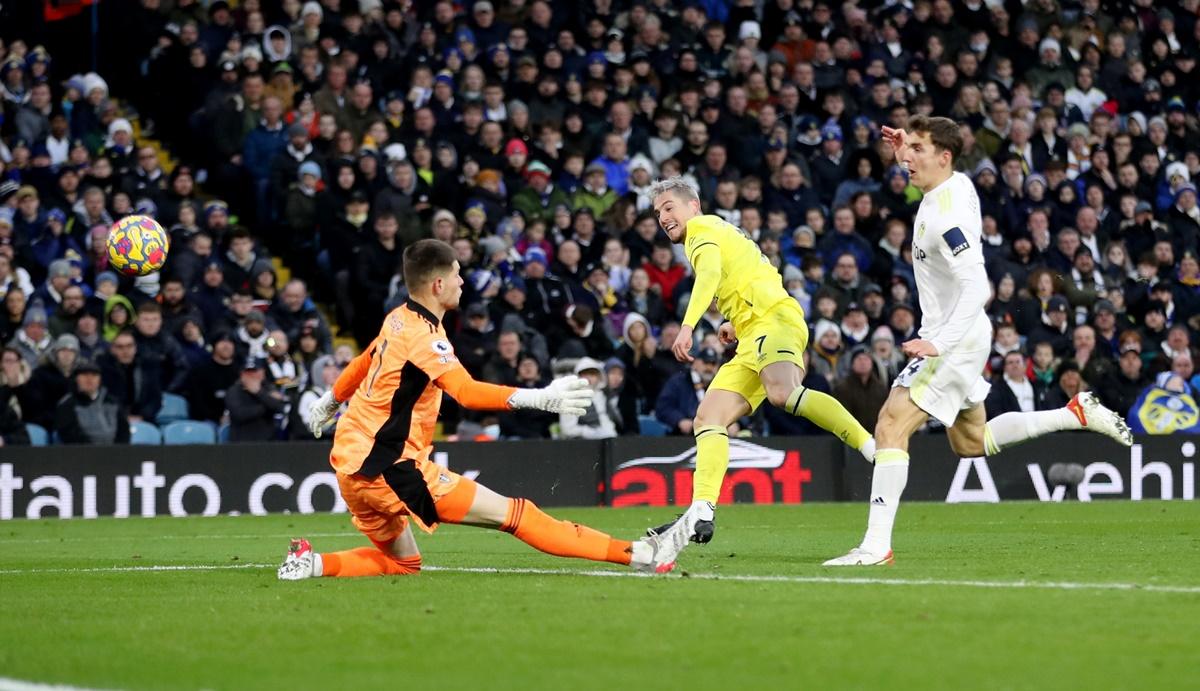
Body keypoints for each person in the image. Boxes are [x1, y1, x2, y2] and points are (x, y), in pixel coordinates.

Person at [825, 116, 1133, 567]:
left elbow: (978, 286)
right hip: (963, 333)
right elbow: (929, 172)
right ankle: (1075, 413)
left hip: (955, 337)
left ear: (944, 157)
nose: (906, 156)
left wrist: (940, 341)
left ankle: (875, 546)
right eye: (906, 148)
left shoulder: (947, 216)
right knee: (970, 444)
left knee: (891, 425)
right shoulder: (956, 185)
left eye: (917, 149)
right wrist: (906, 150)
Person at [277, 239, 667, 581]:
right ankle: (639, 555)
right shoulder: (426, 340)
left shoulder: (398, 318)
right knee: (516, 513)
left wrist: (331, 400)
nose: (463, 282)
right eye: (458, 275)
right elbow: (465, 392)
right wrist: (538, 397)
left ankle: (309, 563)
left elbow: (364, 360)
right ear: (439, 284)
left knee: (404, 564)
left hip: (350, 465)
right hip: (391, 468)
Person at [643, 176, 875, 563]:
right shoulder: (718, 231)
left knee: (782, 393)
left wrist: (687, 326)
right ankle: (702, 508)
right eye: (657, 213)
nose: (663, 217)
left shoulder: (700, 229)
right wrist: (736, 321)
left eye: (669, 208)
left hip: (774, 322)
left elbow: (711, 277)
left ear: (693, 205)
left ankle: (873, 448)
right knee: (708, 418)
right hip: (754, 331)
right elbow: (753, 274)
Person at [54, 360, 130, 445]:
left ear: (100, 379)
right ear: (76, 378)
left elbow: (123, 430)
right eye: (84, 375)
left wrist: (118, 451)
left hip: (115, 454)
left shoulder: (112, 402)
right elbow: (70, 435)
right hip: (82, 454)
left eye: (94, 375)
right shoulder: (67, 404)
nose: (89, 379)